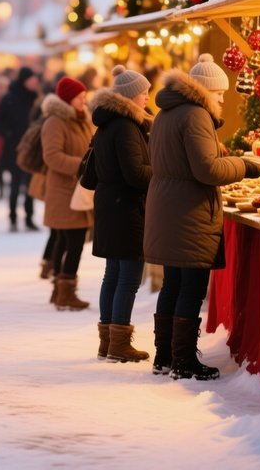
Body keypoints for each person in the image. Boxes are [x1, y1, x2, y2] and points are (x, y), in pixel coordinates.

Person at [144, 53, 260, 380]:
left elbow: (181, 161)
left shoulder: (166, 113)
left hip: (167, 208)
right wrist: (243, 165)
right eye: (220, 94)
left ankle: (164, 356)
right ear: (203, 91)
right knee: (191, 287)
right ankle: (183, 360)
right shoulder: (196, 115)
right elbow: (206, 170)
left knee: (173, 283)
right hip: (188, 212)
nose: (223, 99)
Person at [90, 65, 152, 363]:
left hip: (108, 205)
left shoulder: (105, 124)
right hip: (126, 208)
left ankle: (107, 342)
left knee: (113, 275)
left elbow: (88, 177)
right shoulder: (126, 127)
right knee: (127, 277)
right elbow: (136, 175)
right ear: (130, 97)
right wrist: (163, 172)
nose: (147, 98)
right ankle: (119, 345)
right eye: (144, 93)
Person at [41, 76, 94, 311]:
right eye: (80, 96)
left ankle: (60, 290)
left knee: (67, 240)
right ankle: (65, 292)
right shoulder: (56, 121)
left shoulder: (81, 119)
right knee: (73, 241)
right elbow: (52, 156)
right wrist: (82, 165)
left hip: (77, 190)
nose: (84, 100)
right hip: (64, 192)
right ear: (68, 98)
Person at [0, 66, 40, 231]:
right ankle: (12, 217)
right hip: (14, 147)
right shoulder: (10, 98)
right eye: (32, 80)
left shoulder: (35, 99)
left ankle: (29, 217)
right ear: (24, 81)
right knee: (15, 183)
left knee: (30, 184)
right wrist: (8, 133)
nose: (35, 83)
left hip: (31, 148)